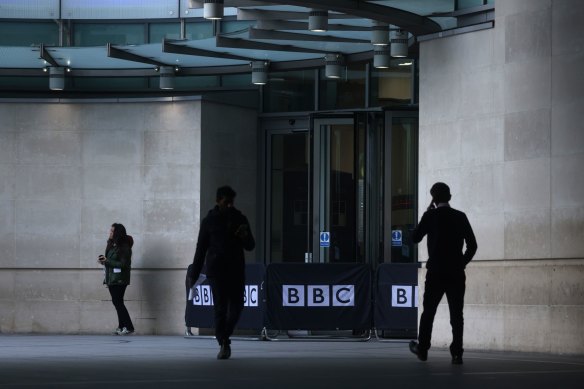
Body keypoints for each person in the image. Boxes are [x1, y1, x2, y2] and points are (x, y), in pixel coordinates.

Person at [409, 182, 477, 365]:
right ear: (450, 197)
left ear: (434, 199)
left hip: (436, 272)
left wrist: (427, 212)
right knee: (457, 314)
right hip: (455, 273)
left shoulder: (430, 216)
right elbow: (473, 245)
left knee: (428, 311)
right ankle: (457, 354)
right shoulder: (460, 217)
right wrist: (460, 263)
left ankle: (422, 349)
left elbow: (414, 238)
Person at [188, 186, 255, 359]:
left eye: (232, 202)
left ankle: (224, 335)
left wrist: (244, 235)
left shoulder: (240, 218)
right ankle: (223, 341)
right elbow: (201, 249)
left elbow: (250, 245)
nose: (230, 205)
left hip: (236, 269)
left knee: (238, 305)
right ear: (218, 201)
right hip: (216, 270)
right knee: (220, 307)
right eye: (227, 202)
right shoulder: (209, 221)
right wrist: (193, 274)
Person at [98, 223, 135, 335]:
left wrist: (107, 261)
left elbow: (124, 264)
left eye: (112, 231)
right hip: (111, 278)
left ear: (117, 233)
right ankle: (121, 326)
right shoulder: (112, 245)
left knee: (118, 302)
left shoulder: (124, 247)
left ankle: (128, 326)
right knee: (117, 302)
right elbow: (110, 261)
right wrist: (104, 261)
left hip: (119, 279)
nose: (110, 232)